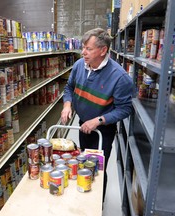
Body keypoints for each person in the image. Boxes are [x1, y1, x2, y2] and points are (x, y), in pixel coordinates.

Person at [61, 28, 133, 200]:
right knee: (84, 162)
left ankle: (96, 203)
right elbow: (69, 88)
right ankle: (84, 197)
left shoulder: (119, 77)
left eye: (88, 49)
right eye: (83, 47)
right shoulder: (79, 65)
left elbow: (125, 109)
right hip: (84, 125)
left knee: (98, 170)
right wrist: (67, 104)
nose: (83, 52)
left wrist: (99, 120)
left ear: (103, 50)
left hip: (103, 131)